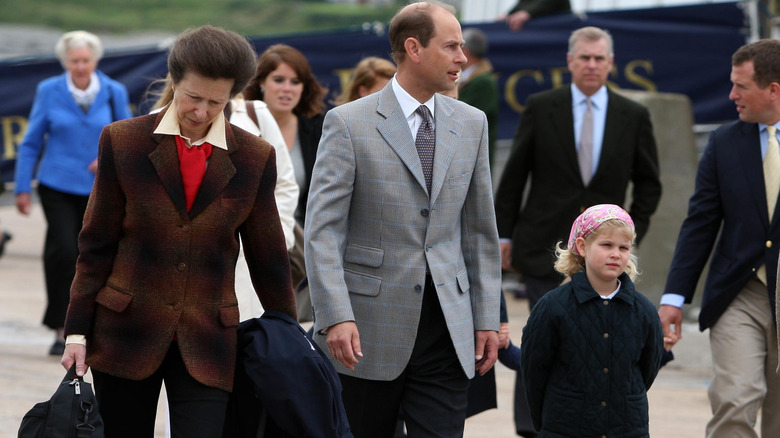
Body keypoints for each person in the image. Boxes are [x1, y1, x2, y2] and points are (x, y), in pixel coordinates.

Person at [60, 25, 297, 438]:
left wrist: (291, 340)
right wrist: (76, 331)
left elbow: (270, 259)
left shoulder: (255, 158)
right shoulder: (124, 141)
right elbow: (95, 246)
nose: (202, 112)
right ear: (174, 81)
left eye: (216, 102)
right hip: (125, 332)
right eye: (193, 97)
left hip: (209, 338)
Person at [304, 2, 502, 436]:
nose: (463, 58)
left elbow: (480, 233)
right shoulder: (348, 123)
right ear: (414, 48)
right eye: (451, 46)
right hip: (365, 331)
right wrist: (334, 314)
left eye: (463, 47)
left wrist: (487, 317)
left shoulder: (472, 124)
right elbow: (322, 231)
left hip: (448, 331)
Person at [493, 25, 661, 437]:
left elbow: (650, 182)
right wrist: (504, 235)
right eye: (583, 57)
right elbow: (515, 174)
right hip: (542, 246)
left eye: (599, 58)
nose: (591, 65)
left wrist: (623, 233)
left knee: (595, 338)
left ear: (610, 64)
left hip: (605, 247)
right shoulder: (541, 106)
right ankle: (534, 426)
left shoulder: (632, 114)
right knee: (545, 331)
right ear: (570, 62)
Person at [660, 38, 780, 438]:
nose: (731, 95)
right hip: (738, 294)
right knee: (735, 398)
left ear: (773, 90)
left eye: (740, 86)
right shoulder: (724, 143)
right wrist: (674, 297)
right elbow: (701, 223)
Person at [13, 30, 132, 356]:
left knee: (97, 253)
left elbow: (129, 138)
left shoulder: (113, 91)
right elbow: (32, 141)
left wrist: (106, 158)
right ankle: (60, 327)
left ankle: (95, 325)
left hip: (100, 187)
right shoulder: (49, 90)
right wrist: (23, 187)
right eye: (74, 61)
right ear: (65, 62)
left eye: (86, 60)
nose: (80, 66)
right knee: (64, 250)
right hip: (56, 184)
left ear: (95, 61)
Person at [149, 75, 299, 321]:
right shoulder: (154, 124)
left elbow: (283, 182)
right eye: (195, 96)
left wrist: (274, 238)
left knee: (241, 338)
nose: (201, 112)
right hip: (175, 263)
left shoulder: (254, 112)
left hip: (243, 261)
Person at [521, 204, 663, 437]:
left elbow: (647, 369)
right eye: (606, 245)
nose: (616, 254)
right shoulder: (551, 307)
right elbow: (534, 371)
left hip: (627, 429)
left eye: (624, 247)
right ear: (581, 247)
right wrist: (546, 421)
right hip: (565, 428)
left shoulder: (645, 311)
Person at [242, 43, 327, 226]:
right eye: (279, 80)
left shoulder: (319, 131)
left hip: (299, 242)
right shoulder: (239, 125)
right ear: (262, 82)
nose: (287, 88)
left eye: (295, 82)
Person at [458, 27, 499, 170]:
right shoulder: (472, 78)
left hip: (473, 159)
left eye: (458, 47)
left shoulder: (482, 82)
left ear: (466, 52)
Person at [500, 0, 571, 31]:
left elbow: (545, 3)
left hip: (555, 36)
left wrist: (527, 13)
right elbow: (519, 7)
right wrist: (507, 15)